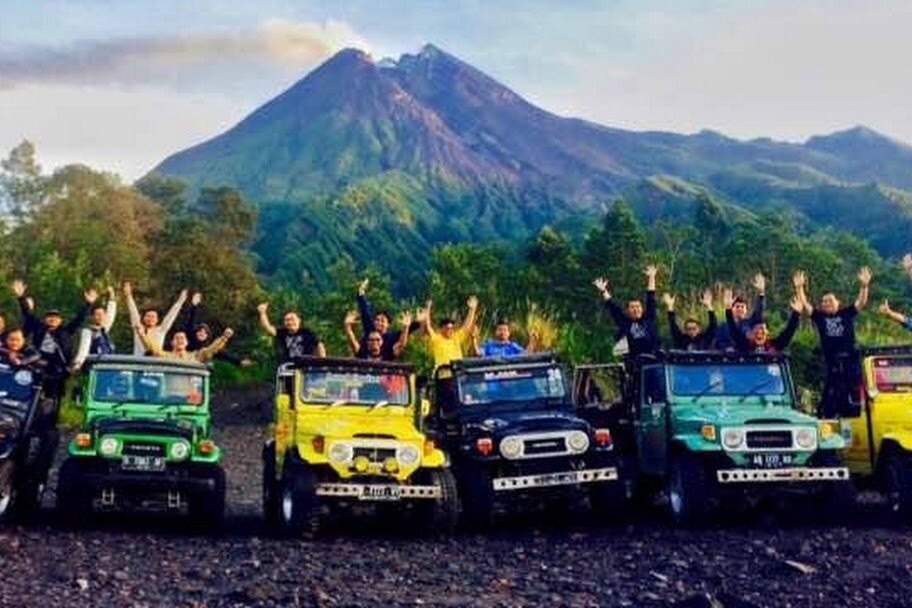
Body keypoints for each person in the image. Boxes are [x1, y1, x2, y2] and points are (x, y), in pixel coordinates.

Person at [795, 268, 871, 417]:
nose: (826, 303)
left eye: (830, 300)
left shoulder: (847, 313)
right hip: (832, 365)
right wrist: (799, 288)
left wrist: (864, 286)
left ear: (838, 302)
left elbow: (861, 302)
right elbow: (805, 305)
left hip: (851, 363)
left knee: (853, 397)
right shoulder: (820, 316)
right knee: (830, 400)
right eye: (824, 301)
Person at [12, 279, 91, 394]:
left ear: (60, 320)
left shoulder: (66, 331)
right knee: (30, 392)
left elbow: (79, 319)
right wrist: (21, 297)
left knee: (53, 397)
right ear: (45, 319)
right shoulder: (39, 327)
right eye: (50, 316)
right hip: (37, 364)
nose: (53, 319)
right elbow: (27, 313)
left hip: (57, 370)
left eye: (56, 317)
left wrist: (88, 304)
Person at [593, 265, 660, 357]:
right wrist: (604, 290)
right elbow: (613, 308)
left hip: (653, 358)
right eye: (632, 307)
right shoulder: (624, 322)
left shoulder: (649, 318)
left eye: (638, 306)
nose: (636, 309)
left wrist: (652, 277)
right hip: (635, 360)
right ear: (627, 310)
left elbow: (651, 297)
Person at [354, 279, 420, 360]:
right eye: (377, 320)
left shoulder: (391, 337)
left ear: (388, 324)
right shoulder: (370, 329)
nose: (379, 323)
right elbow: (365, 311)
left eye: (382, 321)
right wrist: (361, 293)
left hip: (384, 366)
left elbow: (408, 330)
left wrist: (418, 321)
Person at [184, 292, 254, 367]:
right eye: (200, 331)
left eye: (205, 333)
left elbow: (225, 355)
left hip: (197, 370)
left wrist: (239, 361)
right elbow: (191, 321)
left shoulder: (209, 348)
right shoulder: (188, 339)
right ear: (195, 332)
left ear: (207, 336)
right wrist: (194, 305)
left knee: (212, 351)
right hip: (184, 363)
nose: (202, 333)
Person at [723, 287, 802, 354]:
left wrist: (796, 314)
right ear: (751, 334)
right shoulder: (744, 345)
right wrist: (728, 310)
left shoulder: (774, 345)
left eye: (762, 332)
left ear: (767, 334)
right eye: (757, 332)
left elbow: (788, 333)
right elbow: (733, 329)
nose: (759, 334)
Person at [124, 281, 187, 356]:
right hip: (139, 364)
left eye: (153, 317)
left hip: (156, 364)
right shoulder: (139, 329)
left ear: (157, 320)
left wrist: (180, 301)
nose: (150, 319)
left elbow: (171, 316)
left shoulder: (160, 331)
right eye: (148, 316)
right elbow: (133, 313)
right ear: (143, 318)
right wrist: (128, 296)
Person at [419, 296, 478, 369]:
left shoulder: (456, 337)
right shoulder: (436, 338)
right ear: (441, 329)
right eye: (447, 328)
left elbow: (466, 326)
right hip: (443, 373)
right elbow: (428, 327)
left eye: (451, 328)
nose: (450, 330)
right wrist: (427, 309)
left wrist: (472, 309)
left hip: (458, 371)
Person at [257, 302, 326, 363]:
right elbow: (268, 328)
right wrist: (262, 313)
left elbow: (319, 345)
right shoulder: (283, 333)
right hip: (289, 365)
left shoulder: (307, 332)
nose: (289, 322)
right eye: (286, 320)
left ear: (299, 320)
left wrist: (323, 362)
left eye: (292, 319)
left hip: (306, 364)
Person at [715, 273, 766, 350]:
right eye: (737, 306)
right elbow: (718, 343)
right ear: (732, 309)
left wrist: (761, 293)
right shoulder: (723, 326)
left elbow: (758, 312)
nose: (740, 309)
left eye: (742, 307)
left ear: (746, 310)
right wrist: (728, 348)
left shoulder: (750, 323)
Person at [71, 286, 118, 371]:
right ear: (92, 317)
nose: (100, 317)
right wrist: (78, 364)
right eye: (97, 314)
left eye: (102, 314)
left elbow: (111, 314)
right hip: (94, 368)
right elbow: (83, 348)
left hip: (107, 368)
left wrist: (112, 295)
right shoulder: (87, 331)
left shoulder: (103, 330)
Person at [136, 326, 233, 363]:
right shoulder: (164, 355)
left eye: (182, 338)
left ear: (187, 343)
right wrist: (142, 334)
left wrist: (224, 338)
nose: (180, 340)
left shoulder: (195, 356)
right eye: (177, 338)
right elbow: (152, 349)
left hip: (189, 399)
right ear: (172, 343)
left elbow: (210, 350)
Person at [344, 310, 412, 361]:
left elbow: (401, 345)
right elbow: (352, 342)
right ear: (367, 342)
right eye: (371, 340)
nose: (374, 342)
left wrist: (406, 327)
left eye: (377, 340)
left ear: (382, 342)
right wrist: (347, 326)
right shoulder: (362, 352)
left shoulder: (388, 354)